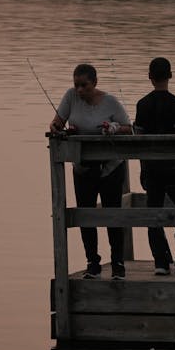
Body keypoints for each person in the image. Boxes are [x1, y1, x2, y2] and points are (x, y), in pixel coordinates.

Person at [49, 63, 133, 278]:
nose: (79, 90)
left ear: (94, 83)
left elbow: (129, 128)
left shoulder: (110, 102)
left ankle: (117, 263)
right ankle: (92, 262)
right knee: (85, 216)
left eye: (84, 86)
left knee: (111, 215)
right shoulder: (71, 97)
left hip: (110, 168)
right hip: (83, 168)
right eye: (76, 85)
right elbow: (58, 121)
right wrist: (59, 128)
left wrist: (113, 128)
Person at [133, 57, 175, 275]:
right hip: (173, 166)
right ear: (170, 75)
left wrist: (143, 168)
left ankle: (161, 262)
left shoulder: (142, 104)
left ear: (150, 77)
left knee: (153, 213)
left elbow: (140, 142)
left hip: (151, 167)